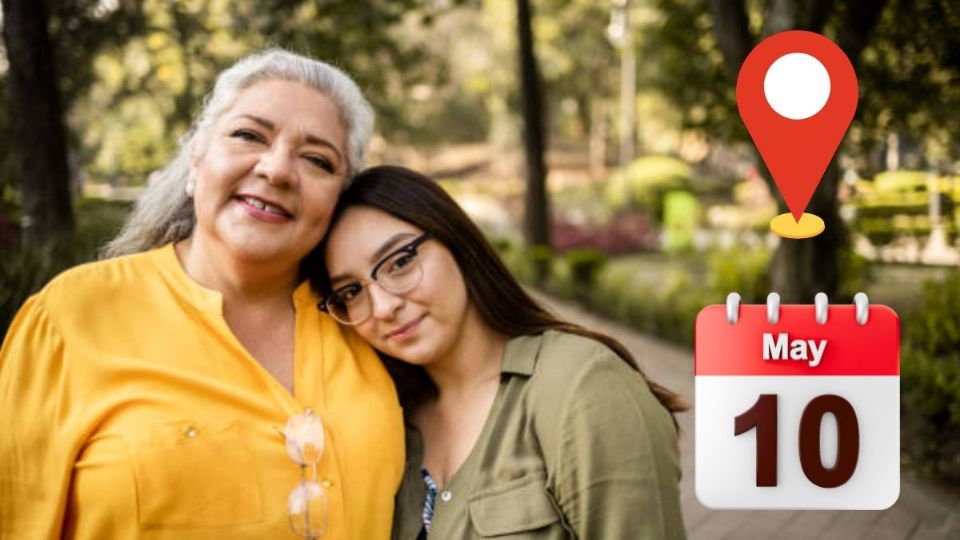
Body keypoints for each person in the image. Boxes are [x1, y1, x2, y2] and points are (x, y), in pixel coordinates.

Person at [0, 49, 404, 540]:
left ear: (340, 199)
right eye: (248, 135)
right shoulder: (71, 318)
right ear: (196, 155)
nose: (276, 170)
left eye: (317, 160)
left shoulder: (377, 326)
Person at [317, 165, 689, 539]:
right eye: (351, 292)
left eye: (400, 262)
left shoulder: (580, 385)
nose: (382, 307)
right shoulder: (392, 425)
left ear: (456, 242)